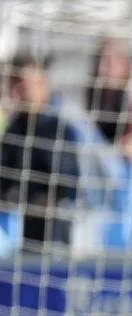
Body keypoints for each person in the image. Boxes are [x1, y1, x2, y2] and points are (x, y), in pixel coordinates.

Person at [0, 54, 80, 249]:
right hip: (18, 226)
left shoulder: (60, 127)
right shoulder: (15, 128)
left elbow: (70, 182)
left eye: (26, 85)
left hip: (53, 229)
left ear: (43, 84)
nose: (22, 91)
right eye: (17, 85)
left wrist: (45, 199)